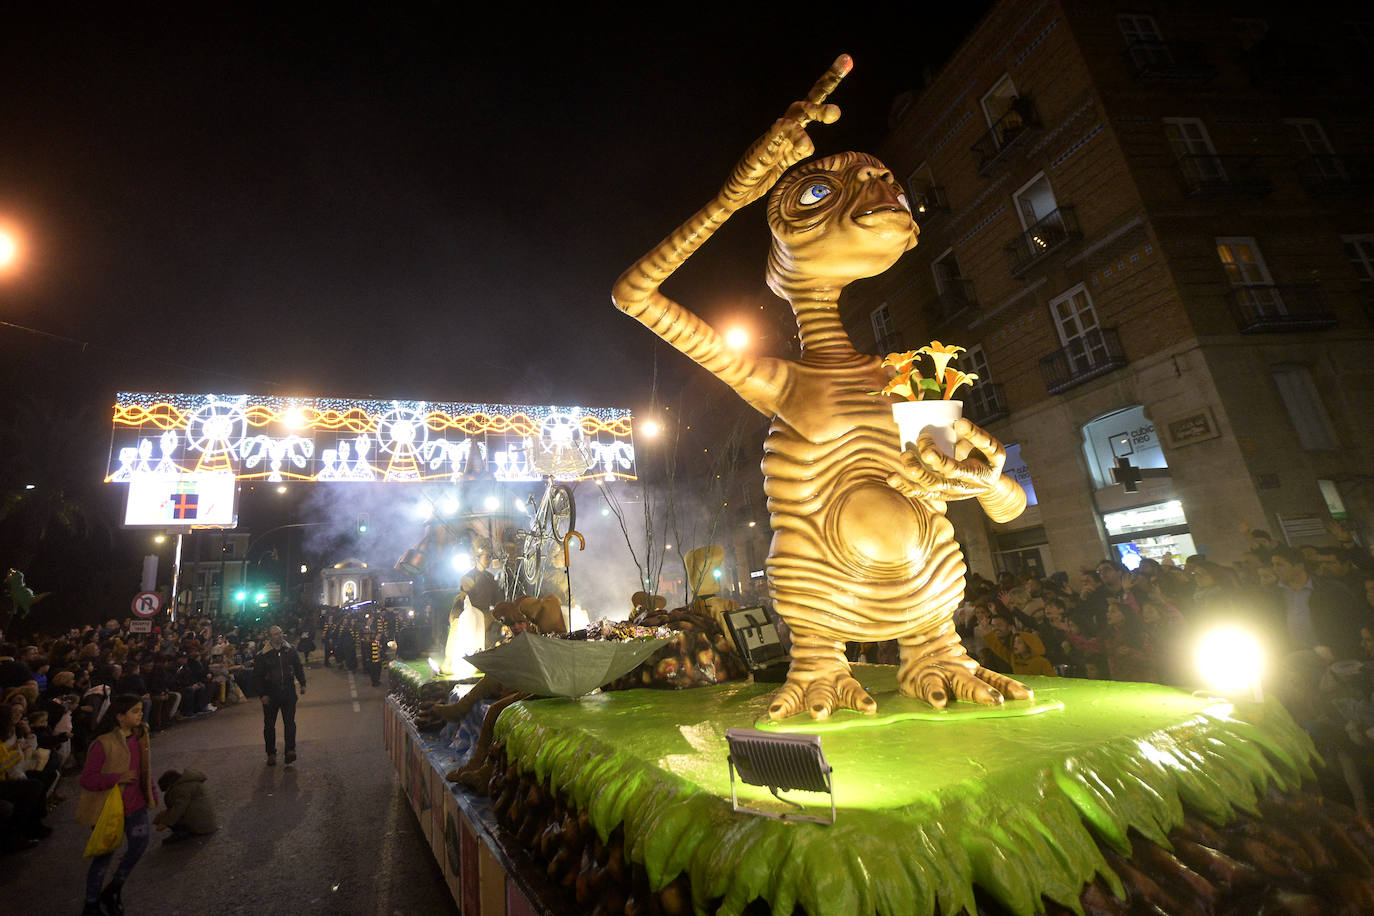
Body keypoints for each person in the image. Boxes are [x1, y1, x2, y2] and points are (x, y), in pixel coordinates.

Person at [77, 693, 157, 916]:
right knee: (104, 857)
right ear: (120, 716)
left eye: (141, 710)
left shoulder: (141, 735)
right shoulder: (103, 744)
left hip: (136, 805)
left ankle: (114, 888)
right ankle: (90, 904)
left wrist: (150, 789)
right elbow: (87, 779)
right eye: (135, 711)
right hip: (110, 810)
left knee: (139, 845)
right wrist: (116, 778)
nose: (140, 714)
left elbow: (143, 767)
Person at [250, 626, 306, 766]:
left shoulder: (290, 650)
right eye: (275, 634)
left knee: (290, 723)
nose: (279, 636)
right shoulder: (262, 655)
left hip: (288, 692)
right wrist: (262, 694)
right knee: (269, 725)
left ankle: (290, 751)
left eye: (281, 633)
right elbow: (257, 676)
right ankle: (271, 753)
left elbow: (298, 667)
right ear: (269, 637)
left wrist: (302, 683)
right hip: (271, 695)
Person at [153, 768, 217, 843]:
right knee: (165, 814)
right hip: (205, 820)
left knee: (165, 816)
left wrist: (165, 822)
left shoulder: (182, 789)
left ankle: (183, 831)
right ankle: (185, 829)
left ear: (170, 784)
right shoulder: (187, 783)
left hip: (201, 825)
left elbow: (179, 808)